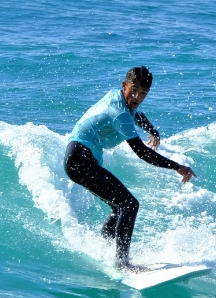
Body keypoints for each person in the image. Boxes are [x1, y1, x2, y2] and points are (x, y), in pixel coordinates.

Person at [64, 66, 196, 270]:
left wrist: (153, 131)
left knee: (119, 207)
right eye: (133, 90)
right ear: (124, 85)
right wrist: (177, 167)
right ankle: (122, 263)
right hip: (79, 159)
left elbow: (137, 115)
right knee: (129, 205)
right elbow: (142, 152)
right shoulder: (118, 112)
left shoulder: (121, 101)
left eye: (142, 93)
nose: (136, 97)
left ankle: (104, 250)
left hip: (80, 157)